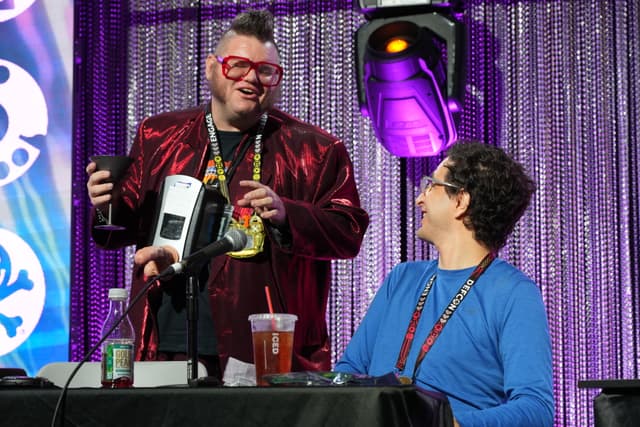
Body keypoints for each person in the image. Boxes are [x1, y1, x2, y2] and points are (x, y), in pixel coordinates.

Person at [86, 9, 369, 380]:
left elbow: (348, 232)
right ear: (212, 67)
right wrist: (108, 207)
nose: (251, 78)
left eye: (266, 70)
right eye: (238, 64)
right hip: (166, 333)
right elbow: (125, 222)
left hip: (260, 346)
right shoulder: (159, 135)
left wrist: (288, 214)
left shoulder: (315, 150)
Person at [335, 141, 553, 427]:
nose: (419, 199)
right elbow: (348, 372)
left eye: (431, 185)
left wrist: (446, 424)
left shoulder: (513, 293)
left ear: (461, 201)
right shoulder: (402, 279)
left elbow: (536, 409)